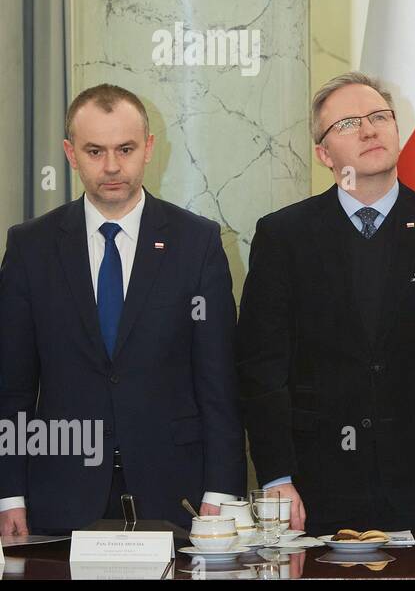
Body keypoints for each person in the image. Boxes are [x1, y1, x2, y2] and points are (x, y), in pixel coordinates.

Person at [236, 73, 415, 535]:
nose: (369, 129)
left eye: (380, 116)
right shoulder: (284, 236)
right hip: (313, 489)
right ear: (323, 153)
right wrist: (277, 477)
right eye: (348, 123)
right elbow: (262, 371)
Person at [0, 84, 244, 534]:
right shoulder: (30, 247)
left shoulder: (198, 243)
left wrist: (222, 492)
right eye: (95, 151)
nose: (112, 166)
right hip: (58, 491)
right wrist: (8, 493)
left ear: (148, 148)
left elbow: (219, 382)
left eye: (125, 149)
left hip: (179, 494)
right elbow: (12, 387)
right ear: (70, 154)